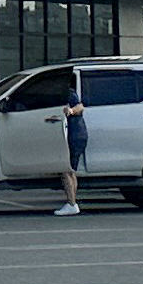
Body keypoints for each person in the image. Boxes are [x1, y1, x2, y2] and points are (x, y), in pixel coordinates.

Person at [54, 75, 88, 216]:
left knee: (65, 169)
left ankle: (71, 203)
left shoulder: (68, 93)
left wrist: (71, 111)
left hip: (74, 135)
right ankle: (72, 202)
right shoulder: (64, 94)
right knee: (71, 170)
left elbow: (80, 106)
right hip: (79, 134)